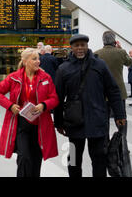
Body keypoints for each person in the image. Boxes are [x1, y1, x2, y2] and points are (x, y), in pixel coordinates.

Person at [54, 34, 127, 177]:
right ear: (72, 48)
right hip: (74, 123)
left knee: (99, 158)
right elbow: (58, 97)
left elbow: (112, 90)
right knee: (74, 159)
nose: (80, 48)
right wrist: (58, 122)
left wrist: (120, 114)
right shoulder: (63, 69)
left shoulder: (99, 65)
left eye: (83, 45)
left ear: (87, 46)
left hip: (98, 120)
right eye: (77, 45)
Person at [0, 48, 59, 177]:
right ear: (25, 61)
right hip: (21, 125)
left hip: (40, 125)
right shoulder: (14, 78)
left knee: (36, 158)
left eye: (38, 58)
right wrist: (10, 106)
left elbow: (54, 98)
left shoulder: (46, 77)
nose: (38, 61)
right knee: (24, 157)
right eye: (34, 59)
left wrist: (43, 105)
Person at [94, 31, 132, 104]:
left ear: (103, 40)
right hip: (119, 90)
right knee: (120, 114)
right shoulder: (121, 52)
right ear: (114, 41)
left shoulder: (96, 53)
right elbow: (129, 62)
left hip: (102, 91)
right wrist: (121, 48)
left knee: (104, 114)